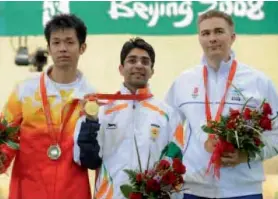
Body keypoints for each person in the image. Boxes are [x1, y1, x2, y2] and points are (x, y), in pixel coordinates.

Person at [165, 10, 278, 199]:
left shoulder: (258, 81)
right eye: (205, 33)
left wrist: (247, 156)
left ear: (232, 37)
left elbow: (276, 132)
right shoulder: (183, 82)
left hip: (243, 190)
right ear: (199, 38)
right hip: (194, 190)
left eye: (219, 31)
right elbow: (167, 130)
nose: (212, 38)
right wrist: (176, 165)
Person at [73, 37, 185, 199]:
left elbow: (176, 161)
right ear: (121, 68)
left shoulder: (168, 114)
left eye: (145, 62)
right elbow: (86, 160)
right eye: (132, 60)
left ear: (152, 71)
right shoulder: (102, 111)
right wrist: (90, 121)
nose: (139, 65)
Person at [0, 14, 96, 199]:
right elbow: (5, 140)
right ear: (49, 49)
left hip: (73, 189)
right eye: (56, 42)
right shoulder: (25, 91)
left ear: (82, 47)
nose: (63, 49)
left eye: (69, 42)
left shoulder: (91, 98)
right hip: (28, 188)